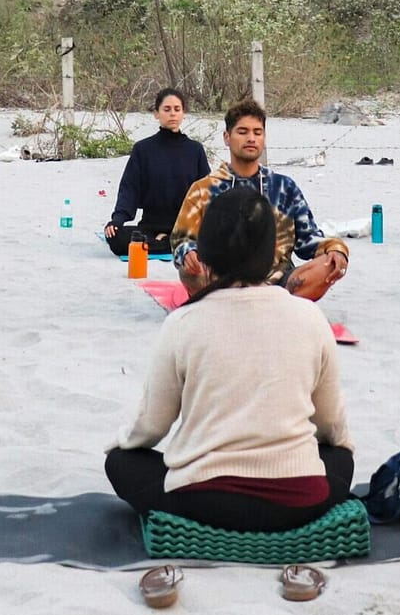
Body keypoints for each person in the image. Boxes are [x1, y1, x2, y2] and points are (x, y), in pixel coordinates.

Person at [107, 187, 354, 533]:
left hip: (201, 504)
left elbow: (150, 427)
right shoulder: (309, 317)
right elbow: (332, 427)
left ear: (206, 253)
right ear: (272, 254)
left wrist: (119, 444)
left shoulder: (182, 322)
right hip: (296, 504)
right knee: (340, 459)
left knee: (121, 462)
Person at [172, 100, 348, 300]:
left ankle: (267, 300)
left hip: (278, 284)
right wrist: (188, 253)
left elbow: (308, 241)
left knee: (328, 265)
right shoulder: (203, 189)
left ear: (264, 138)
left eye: (257, 132)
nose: (251, 138)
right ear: (227, 137)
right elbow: (181, 240)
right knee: (189, 272)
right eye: (243, 132)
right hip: (220, 281)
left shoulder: (284, 187)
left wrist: (336, 249)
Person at [103, 88, 210, 256]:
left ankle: (160, 243)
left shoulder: (195, 150)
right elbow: (129, 189)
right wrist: (117, 221)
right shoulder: (143, 149)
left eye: (177, 109)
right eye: (167, 109)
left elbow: (206, 192)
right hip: (150, 226)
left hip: (185, 226)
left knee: (211, 238)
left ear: (183, 113)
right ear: (156, 113)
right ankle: (166, 243)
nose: (172, 114)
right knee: (115, 237)